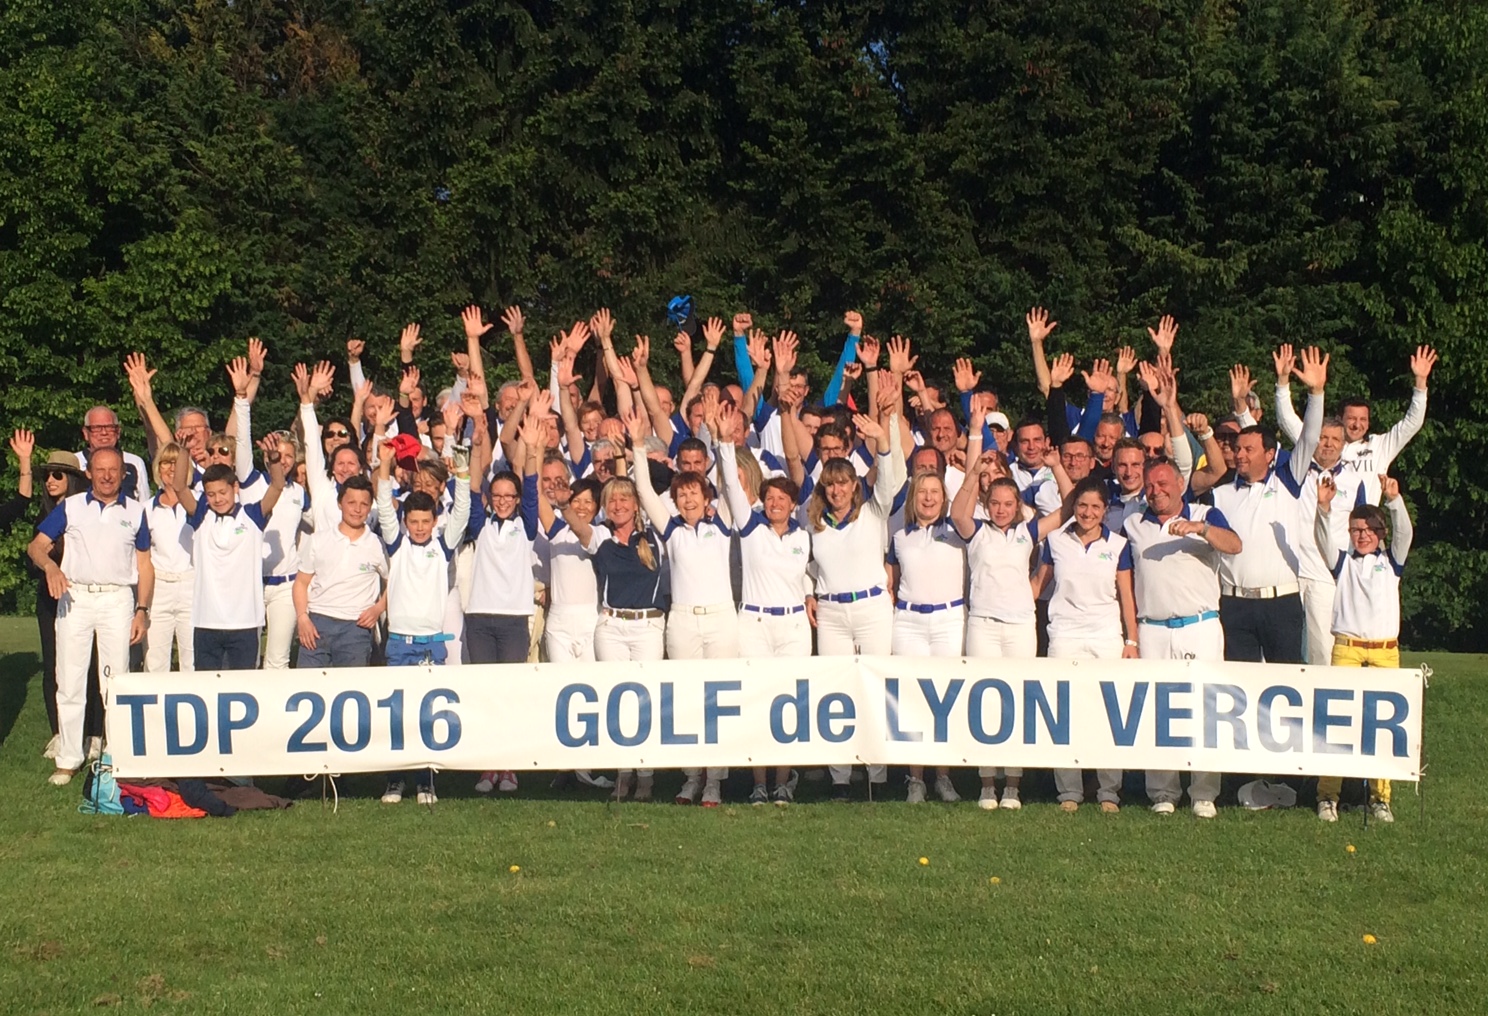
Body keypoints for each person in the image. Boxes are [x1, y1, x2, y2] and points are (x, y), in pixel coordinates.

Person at [950, 417, 1065, 811]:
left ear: (1019, 507)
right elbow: (958, 513)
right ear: (988, 504)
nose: (1001, 510)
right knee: (984, 702)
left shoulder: (1026, 532)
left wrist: (1057, 467)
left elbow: (1068, 509)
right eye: (995, 503)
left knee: (1017, 700)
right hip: (982, 624)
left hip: (1019, 625)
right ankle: (987, 783)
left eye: (1008, 504)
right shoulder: (976, 531)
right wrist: (974, 472)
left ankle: (1012, 784)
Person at [628, 403, 737, 807]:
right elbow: (643, 491)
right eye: (682, 494)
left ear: (707, 496)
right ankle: (692, 778)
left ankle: (716, 782)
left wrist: (723, 441)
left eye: (695, 493)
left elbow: (731, 486)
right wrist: (638, 446)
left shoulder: (722, 523)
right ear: (675, 499)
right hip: (683, 621)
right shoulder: (671, 528)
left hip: (721, 619)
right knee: (688, 698)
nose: (688, 499)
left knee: (718, 700)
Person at [1123, 458, 1242, 819]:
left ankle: (1204, 792)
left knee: (1206, 710)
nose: (1155, 491)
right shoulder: (1134, 522)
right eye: (1150, 485)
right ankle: (1163, 791)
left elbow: (1234, 545)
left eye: (1163, 483)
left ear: (1180, 483)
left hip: (1199, 625)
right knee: (1157, 711)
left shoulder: (1205, 513)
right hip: (1153, 628)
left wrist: (1200, 529)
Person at [28, 448, 154, 786]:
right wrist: (51, 567)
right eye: (100, 470)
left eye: (113, 470)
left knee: (115, 680)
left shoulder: (136, 511)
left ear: (123, 473)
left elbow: (144, 565)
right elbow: (36, 546)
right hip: (76, 597)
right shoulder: (71, 507)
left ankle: (115, 754)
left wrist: (142, 610)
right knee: (69, 679)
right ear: (89, 473)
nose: (107, 476)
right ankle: (69, 758)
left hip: (117, 599)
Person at [807, 394, 905, 801]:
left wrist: (882, 440)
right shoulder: (814, 522)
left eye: (843, 483)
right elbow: (804, 564)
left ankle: (877, 774)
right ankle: (840, 776)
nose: (837, 490)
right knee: (837, 690)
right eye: (830, 484)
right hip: (832, 612)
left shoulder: (873, 511)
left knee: (876, 686)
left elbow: (889, 479)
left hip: (871, 608)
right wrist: (809, 592)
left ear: (854, 485)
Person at [714, 404, 809, 805]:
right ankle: (758, 782)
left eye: (782, 499)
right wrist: (723, 442)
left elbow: (811, 575)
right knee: (757, 700)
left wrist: (811, 595)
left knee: (789, 703)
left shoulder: (804, 536)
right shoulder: (750, 527)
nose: (775, 504)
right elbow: (732, 486)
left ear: (792, 504)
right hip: (754, 624)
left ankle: (782, 782)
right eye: (769, 498)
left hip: (793, 626)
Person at [372, 429, 472, 806]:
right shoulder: (396, 546)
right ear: (406, 521)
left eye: (424, 521)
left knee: (428, 715)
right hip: (400, 644)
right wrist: (384, 466)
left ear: (433, 521)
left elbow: (461, 513)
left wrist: (463, 475)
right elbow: (385, 508)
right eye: (412, 521)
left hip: (432, 645)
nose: (418, 527)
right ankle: (395, 781)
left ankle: (426, 781)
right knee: (398, 715)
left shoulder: (442, 547)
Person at [1209, 345, 1325, 663]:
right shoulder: (1220, 494)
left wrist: (1316, 393)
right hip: (1234, 604)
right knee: (1240, 684)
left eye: (1248, 450)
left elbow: (1310, 438)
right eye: (1238, 449)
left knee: (1287, 681)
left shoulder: (1287, 480)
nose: (1240, 454)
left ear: (1270, 454)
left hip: (1280, 603)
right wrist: (1238, 404)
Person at [1313, 471, 1413, 823]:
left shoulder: (1391, 561)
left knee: (1383, 726)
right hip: (1348, 648)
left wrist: (1394, 501)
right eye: (1356, 530)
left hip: (1385, 651)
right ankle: (1328, 796)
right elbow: (1323, 539)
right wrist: (1324, 509)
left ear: (1381, 533)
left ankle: (1380, 798)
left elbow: (1405, 534)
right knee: (1337, 723)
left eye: (1370, 530)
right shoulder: (1343, 563)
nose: (1363, 535)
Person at [1035, 477, 1138, 813]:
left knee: (1109, 713)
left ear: (1105, 510)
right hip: (1064, 635)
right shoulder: (1055, 540)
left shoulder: (1118, 545)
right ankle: (1069, 791)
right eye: (1082, 505)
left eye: (1095, 507)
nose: (1088, 512)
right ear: (1073, 507)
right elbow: (1038, 585)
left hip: (1106, 636)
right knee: (1063, 713)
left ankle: (1109, 792)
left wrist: (1131, 639)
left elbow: (1126, 596)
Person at [564, 475, 668, 803]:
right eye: (612, 500)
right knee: (617, 702)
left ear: (636, 505)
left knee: (644, 701)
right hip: (611, 627)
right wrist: (564, 503)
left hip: (648, 626)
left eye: (625, 499)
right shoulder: (601, 537)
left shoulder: (655, 536)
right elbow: (577, 526)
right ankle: (623, 774)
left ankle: (646, 776)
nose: (618, 505)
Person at [889, 468, 968, 804]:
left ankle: (943, 776)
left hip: (949, 619)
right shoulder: (899, 536)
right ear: (913, 497)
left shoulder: (956, 532)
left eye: (935, 491)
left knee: (944, 699)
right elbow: (891, 581)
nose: (928, 498)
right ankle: (916, 779)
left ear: (944, 497)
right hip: (909, 621)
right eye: (922, 491)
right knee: (912, 699)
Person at [172, 440, 287, 671]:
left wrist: (274, 459)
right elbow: (179, 488)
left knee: (242, 684)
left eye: (223, 492)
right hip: (207, 620)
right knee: (206, 684)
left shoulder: (252, 516)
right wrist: (184, 452)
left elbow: (276, 486)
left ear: (235, 488)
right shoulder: (202, 516)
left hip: (245, 621)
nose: (218, 499)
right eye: (211, 494)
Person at [293, 473, 387, 669]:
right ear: (339, 503)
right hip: (317, 624)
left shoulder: (376, 545)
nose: (357, 509)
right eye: (351, 503)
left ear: (370, 507)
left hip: (355, 628)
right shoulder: (318, 539)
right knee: (307, 684)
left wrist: (378, 608)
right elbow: (301, 582)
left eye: (364, 504)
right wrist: (302, 618)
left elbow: (393, 582)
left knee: (350, 686)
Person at [144, 445, 195, 673]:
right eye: (166, 462)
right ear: (158, 468)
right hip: (159, 587)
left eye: (176, 462)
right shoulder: (146, 509)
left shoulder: (199, 503)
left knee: (192, 660)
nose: (171, 468)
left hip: (191, 584)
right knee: (155, 660)